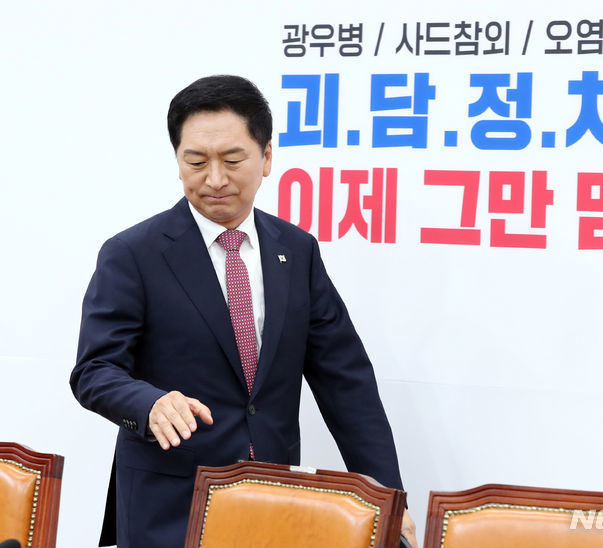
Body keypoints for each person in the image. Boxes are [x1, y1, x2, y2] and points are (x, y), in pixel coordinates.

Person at [70, 75, 417, 548]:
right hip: (168, 509)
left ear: (266, 157)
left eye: (232, 160)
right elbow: (94, 370)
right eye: (196, 162)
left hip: (272, 503)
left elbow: (346, 382)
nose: (215, 179)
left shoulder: (296, 251)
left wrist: (388, 496)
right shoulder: (133, 253)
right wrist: (148, 404)